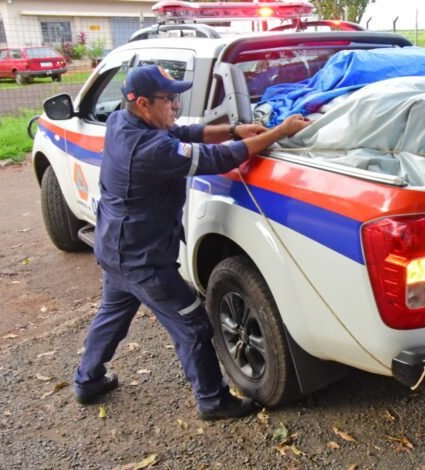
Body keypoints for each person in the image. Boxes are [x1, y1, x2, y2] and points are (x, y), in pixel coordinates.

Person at [73, 64, 310, 420]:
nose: (175, 105)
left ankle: (87, 380)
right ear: (140, 103)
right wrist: (278, 132)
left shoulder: (121, 122)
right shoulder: (150, 149)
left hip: (115, 248)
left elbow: (183, 132)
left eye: (176, 97)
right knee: (194, 325)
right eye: (168, 99)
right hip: (144, 261)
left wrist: (232, 129)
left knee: (112, 316)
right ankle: (213, 401)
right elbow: (218, 158)